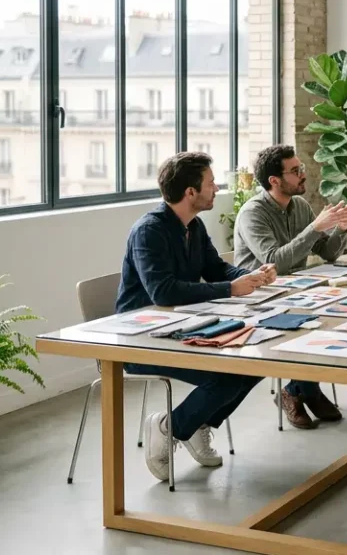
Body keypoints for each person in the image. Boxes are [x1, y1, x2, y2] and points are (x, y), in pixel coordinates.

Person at [115, 151, 277, 483]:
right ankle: (170, 427)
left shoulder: (194, 226)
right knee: (227, 376)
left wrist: (253, 276)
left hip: (185, 329)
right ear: (190, 192)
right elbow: (163, 292)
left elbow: (216, 269)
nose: (216, 188)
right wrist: (230, 289)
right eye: (210, 183)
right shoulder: (149, 231)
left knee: (257, 363)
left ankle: (195, 424)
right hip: (142, 341)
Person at [233, 144, 347, 429]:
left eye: (300, 168)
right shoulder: (252, 213)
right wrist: (315, 228)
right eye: (295, 171)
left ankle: (301, 389)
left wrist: (341, 227)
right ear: (274, 181)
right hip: (258, 298)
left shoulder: (300, 206)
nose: (303, 174)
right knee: (314, 321)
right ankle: (302, 391)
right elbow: (275, 261)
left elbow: (328, 253)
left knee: (338, 316)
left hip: (296, 294)